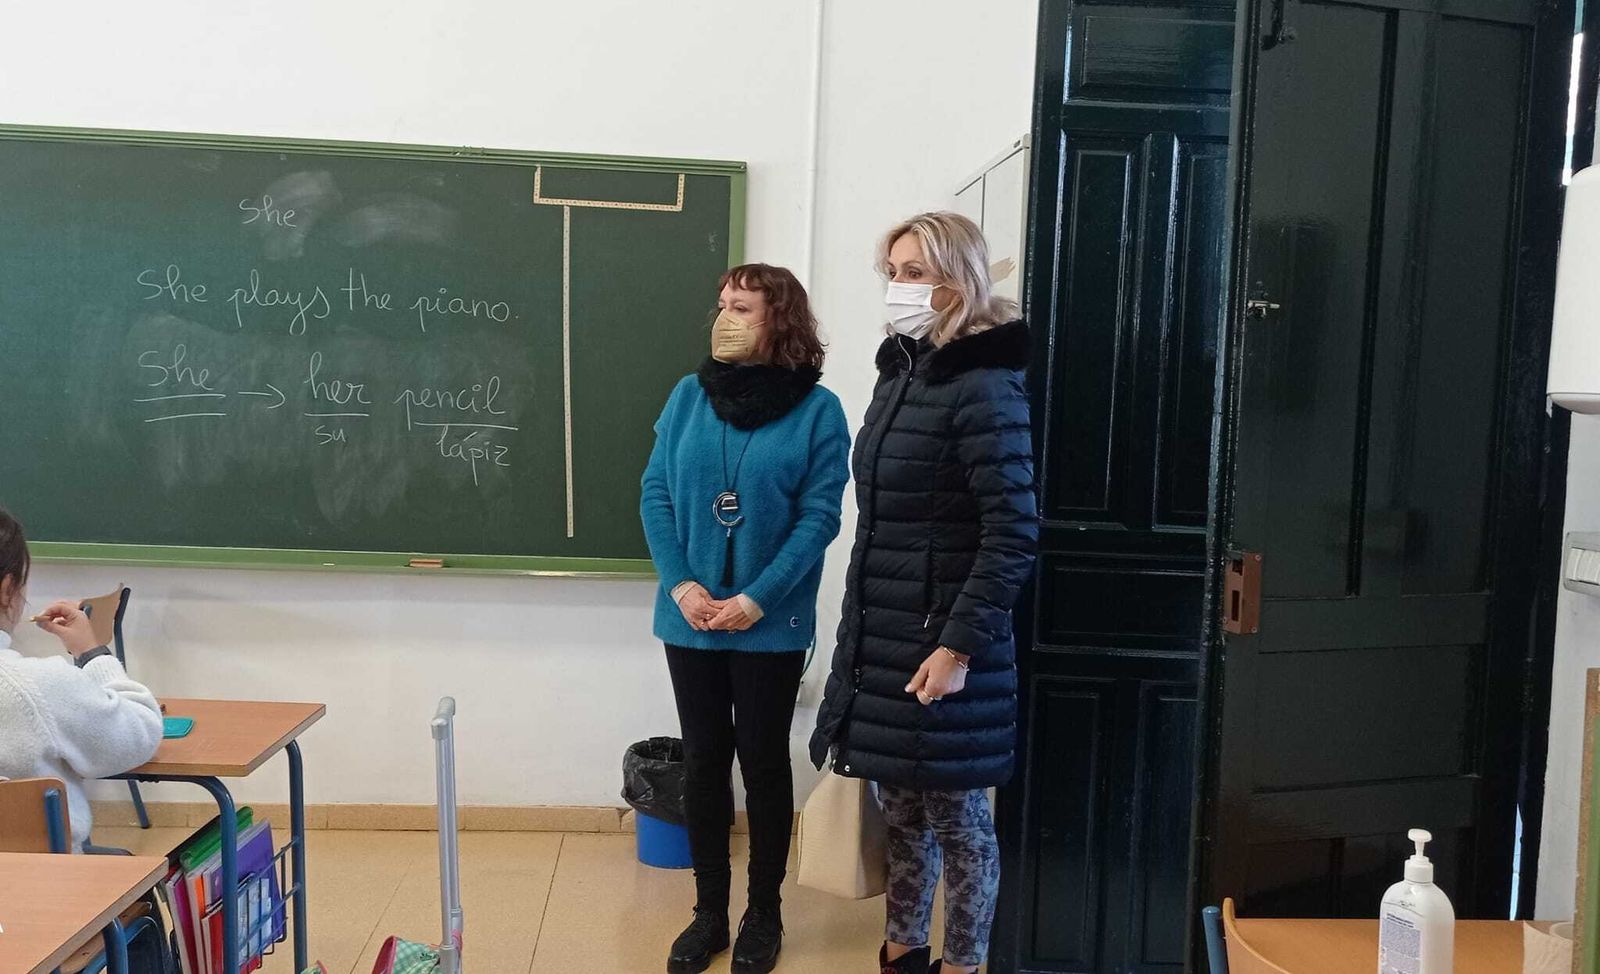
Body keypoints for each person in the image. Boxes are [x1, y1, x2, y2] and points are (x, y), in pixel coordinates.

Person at [809, 213, 1039, 974]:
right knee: (900, 811)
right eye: (893, 271)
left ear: (957, 279)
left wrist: (956, 647)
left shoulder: (983, 382)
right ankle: (903, 951)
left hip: (944, 644)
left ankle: (964, 964)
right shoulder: (902, 371)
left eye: (914, 272)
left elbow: (1012, 532)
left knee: (959, 822)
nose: (899, 287)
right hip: (885, 632)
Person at [640, 263, 851, 974]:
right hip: (690, 616)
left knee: (762, 762)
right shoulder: (686, 397)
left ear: (779, 321)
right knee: (705, 761)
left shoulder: (818, 410)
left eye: (744, 308)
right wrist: (682, 586)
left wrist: (758, 597)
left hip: (771, 620)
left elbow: (819, 517)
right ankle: (708, 915)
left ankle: (763, 913)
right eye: (722, 305)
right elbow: (655, 495)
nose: (726, 318)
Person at [0, 507, 164, 851]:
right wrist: (92, 652)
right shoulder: (35, 685)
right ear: (7, 589)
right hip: (44, 894)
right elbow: (139, 733)